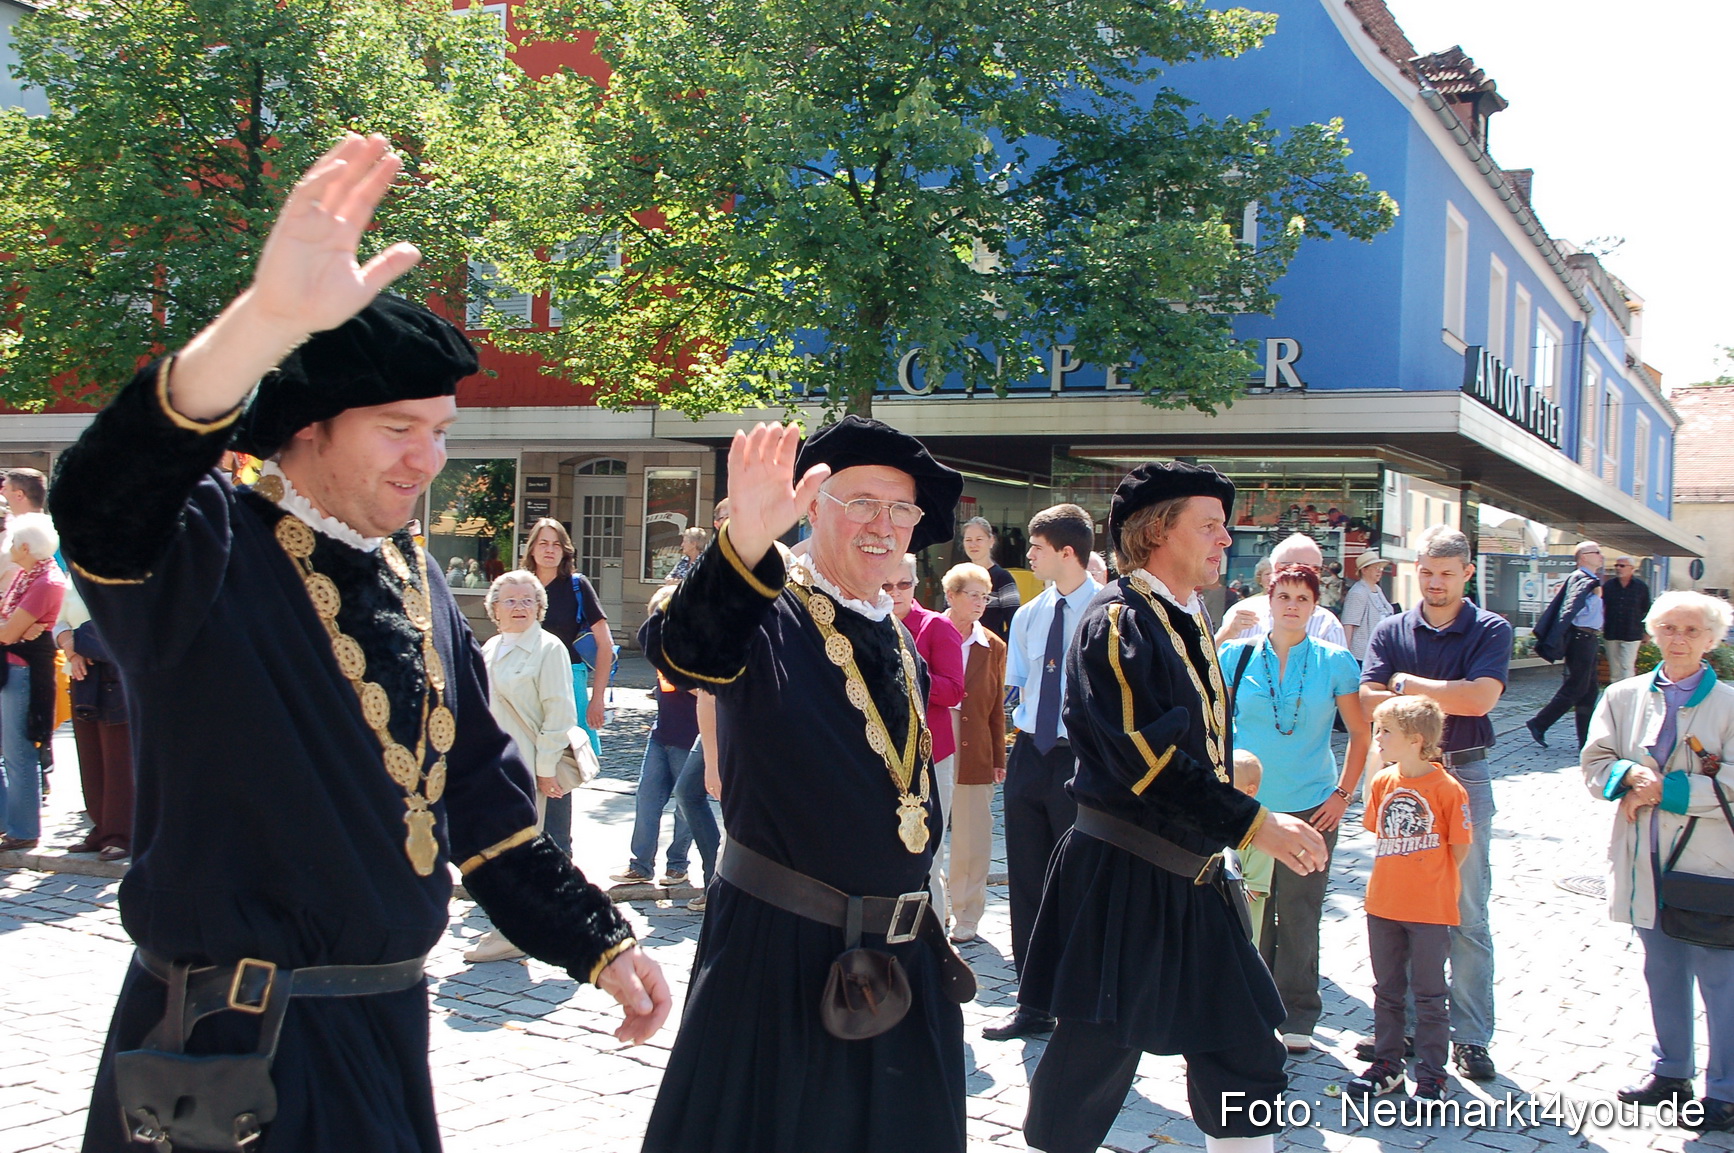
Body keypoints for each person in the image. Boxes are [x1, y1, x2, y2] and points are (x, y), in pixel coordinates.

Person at [50, 135, 668, 1152]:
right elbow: (103, 497)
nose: (428, 458)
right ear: (306, 427)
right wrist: (264, 323)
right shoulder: (208, 546)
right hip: (230, 1053)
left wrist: (596, 940)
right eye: (396, 428)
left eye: (441, 429)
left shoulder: (414, 578)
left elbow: (481, 801)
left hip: (383, 1034)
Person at [639, 415, 970, 1153]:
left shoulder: (896, 633)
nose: (884, 525)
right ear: (812, 506)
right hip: (780, 958)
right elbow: (683, 649)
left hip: (900, 958)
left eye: (901, 509)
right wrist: (745, 546)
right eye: (862, 502)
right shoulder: (765, 605)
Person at [1018, 461, 1328, 1153]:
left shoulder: (1183, 615)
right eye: (1210, 525)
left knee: (1246, 1051)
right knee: (1092, 1060)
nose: (1227, 539)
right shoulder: (1118, 620)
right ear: (1158, 531)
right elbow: (1146, 761)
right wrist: (1255, 823)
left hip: (1192, 875)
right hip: (1124, 873)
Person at [1359, 525, 1510, 1082]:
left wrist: (1405, 685)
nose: (1435, 583)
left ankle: (1469, 1037)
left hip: (1464, 772)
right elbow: (1368, 698)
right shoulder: (1392, 628)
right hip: (1402, 778)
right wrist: (1434, 693)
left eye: (1446, 574)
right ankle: (1398, 1034)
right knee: (1400, 908)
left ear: (1467, 573)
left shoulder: (1490, 628)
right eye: (1426, 572)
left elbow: (1481, 697)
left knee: (1464, 912)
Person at [1584, 590, 1734, 1131]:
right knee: (1662, 968)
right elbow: (1596, 760)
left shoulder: (1730, 704)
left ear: (1712, 640)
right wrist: (1628, 776)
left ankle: (1726, 1091)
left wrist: (1663, 791)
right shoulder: (1622, 695)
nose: (1679, 639)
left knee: (1720, 978)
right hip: (1642, 857)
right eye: (1669, 627)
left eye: (1692, 631)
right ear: (1652, 633)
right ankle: (1671, 1072)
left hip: (1709, 863)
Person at [1219, 563, 1370, 1054]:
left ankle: (1299, 1013)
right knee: (1250, 909)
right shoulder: (1236, 656)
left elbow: (1360, 733)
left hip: (1311, 805)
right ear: (1269, 600)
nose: (1291, 606)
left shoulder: (1334, 661)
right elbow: (1211, 723)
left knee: (1300, 912)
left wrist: (1342, 795)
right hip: (1249, 809)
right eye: (1283, 596)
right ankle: (1252, 1007)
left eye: (1302, 598)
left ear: (1315, 605)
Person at [982, 503, 1103, 1041]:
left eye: (1036, 547)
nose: (1028, 555)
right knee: (1028, 876)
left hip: (1083, 756)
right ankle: (1033, 1002)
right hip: (1032, 753)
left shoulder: (1108, 612)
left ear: (1066, 552)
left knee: (1078, 880)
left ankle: (1082, 1004)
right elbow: (1020, 686)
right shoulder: (1030, 613)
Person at [1350, 695, 1471, 1102]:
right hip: (1384, 905)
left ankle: (1433, 1074)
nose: (1378, 738)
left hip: (1429, 909)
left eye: (1386, 731)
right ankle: (1388, 1064)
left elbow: (1459, 848)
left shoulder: (1448, 789)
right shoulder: (1384, 781)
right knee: (1387, 991)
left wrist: (1429, 880)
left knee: (1430, 994)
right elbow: (1376, 829)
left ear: (1416, 740)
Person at [467, 570, 582, 964]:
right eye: (511, 601)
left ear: (539, 607)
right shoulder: (490, 647)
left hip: (526, 768)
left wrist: (546, 769)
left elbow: (559, 713)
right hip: (492, 767)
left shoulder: (549, 649)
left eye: (528, 600)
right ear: (495, 609)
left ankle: (515, 932)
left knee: (516, 850)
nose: (519, 607)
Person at [519, 515, 614, 856]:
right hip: (522, 686)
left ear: (565, 550)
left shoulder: (576, 586)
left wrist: (597, 699)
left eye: (556, 544)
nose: (550, 550)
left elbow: (605, 645)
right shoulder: (520, 586)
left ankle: (560, 853)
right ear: (531, 549)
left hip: (565, 683)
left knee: (557, 768)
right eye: (543, 543)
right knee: (523, 765)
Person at [885, 553, 966, 919]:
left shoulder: (936, 626)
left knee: (927, 853)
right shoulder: (865, 622)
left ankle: (934, 931)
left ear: (915, 585)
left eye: (904, 584)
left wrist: (909, 675)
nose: (895, 592)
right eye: (887, 585)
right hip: (882, 757)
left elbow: (954, 691)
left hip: (930, 758)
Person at [612, 586, 702, 890]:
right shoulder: (661, 650)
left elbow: (708, 692)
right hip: (660, 734)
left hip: (690, 739)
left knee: (685, 806)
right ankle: (640, 865)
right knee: (647, 799)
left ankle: (677, 866)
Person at [941, 561, 1006, 944]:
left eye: (986, 596)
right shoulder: (931, 631)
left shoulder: (993, 645)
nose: (981, 603)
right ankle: (936, 904)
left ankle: (967, 914)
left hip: (976, 743)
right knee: (929, 832)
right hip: (937, 738)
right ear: (951, 596)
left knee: (973, 836)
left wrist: (998, 757)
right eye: (974, 595)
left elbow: (997, 706)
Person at [0, 513, 66, 852]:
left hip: (22, 671)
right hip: (10, 667)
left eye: (13, 542)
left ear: (26, 547)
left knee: (18, 752)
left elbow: (8, 633)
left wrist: (12, 628)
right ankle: (7, 822)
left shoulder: (45, 582)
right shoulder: (27, 576)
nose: (9, 547)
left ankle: (23, 828)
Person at [60, 617, 133, 861]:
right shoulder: (73, 590)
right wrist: (72, 650)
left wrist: (82, 644)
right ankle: (101, 828)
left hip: (116, 676)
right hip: (82, 675)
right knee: (90, 758)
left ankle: (120, 834)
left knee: (118, 760)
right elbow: (59, 623)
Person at [1526, 541, 1607, 749]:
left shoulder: (1590, 580)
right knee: (1576, 687)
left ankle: (1585, 740)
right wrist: (1595, 593)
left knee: (1589, 690)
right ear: (1583, 557)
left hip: (1589, 638)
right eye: (1596, 552)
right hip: (1580, 638)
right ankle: (1539, 722)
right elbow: (1572, 610)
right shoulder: (1581, 579)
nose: (1601, 556)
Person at [1216, 533, 1347, 647]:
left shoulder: (1328, 624)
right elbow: (1212, 661)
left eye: (1316, 569)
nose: (1311, 575)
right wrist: (1229, 632)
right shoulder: (1242, 613)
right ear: (1277, 568)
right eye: (1302, 567)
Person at [1232, 749, 1275, 951]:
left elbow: (1254, 889)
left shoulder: (1260, 835)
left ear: (1249, 791)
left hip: (1240, 934)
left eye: (1227, 785)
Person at [961, 514, 1021, 641]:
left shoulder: (1003, 578)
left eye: (979, 539)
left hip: (989, 649)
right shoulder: (958, 577)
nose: (973, 544)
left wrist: (999, 647)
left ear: (991, 541)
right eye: (968, 540)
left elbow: (1015, 623)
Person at [1603, 555, 1654, 683]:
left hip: (1632, 632)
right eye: (1616, 565)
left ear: (1631, 568)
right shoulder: (1608, 586)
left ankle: (1628, 692)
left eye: (1622, 565)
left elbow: (1647, 609)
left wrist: (1647, 632)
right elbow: (1601, 607)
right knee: (1615, 670)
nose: (1618, 568)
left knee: (1627, 666)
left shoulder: (1641, 587)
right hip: (1612, 632)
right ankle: (1615, 693)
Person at [1340, 550, 1396, 663]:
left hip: (1380, 651)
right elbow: (1349, 624)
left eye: (1380, 568)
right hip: (1362, 655)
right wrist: (1345, 655)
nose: (1379, 571)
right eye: (1375, 568)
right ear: (1364, 570)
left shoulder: (1377, 589)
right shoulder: (1358, 592)